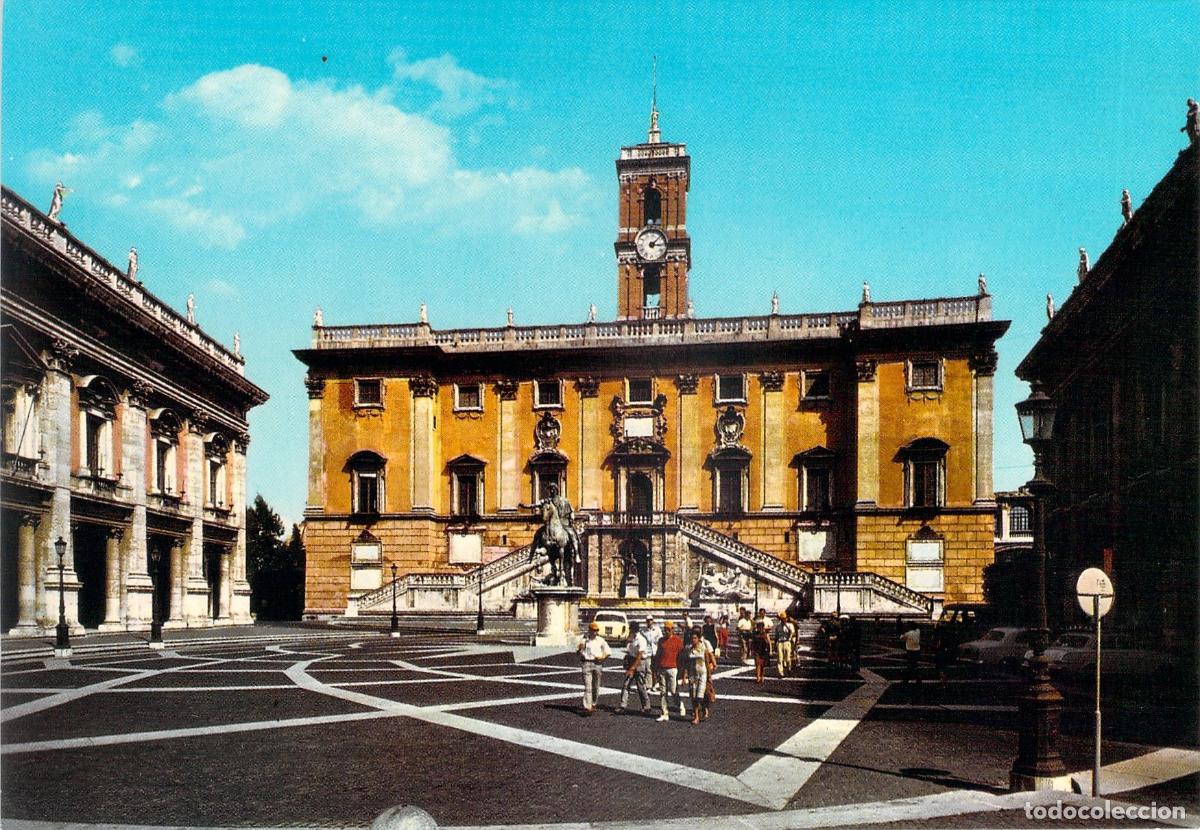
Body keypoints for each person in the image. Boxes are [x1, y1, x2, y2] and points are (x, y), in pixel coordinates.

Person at [680, 628, 716, 725]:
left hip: (702, 674)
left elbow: (707, 664)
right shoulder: (689, 649)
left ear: (699, 638)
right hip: (692, 675)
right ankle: (696, 716)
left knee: (700, 695)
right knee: (693, 696)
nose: (693, 640)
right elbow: (686, 664)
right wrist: (684, 676)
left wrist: (709, 676)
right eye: (692, 638)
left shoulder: (704, 649)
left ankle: (704, 707)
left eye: (695, 638)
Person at [616, 622, 651, 715]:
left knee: (640, 686)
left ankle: (646, 706)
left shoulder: (641, 639)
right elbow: (629, 650)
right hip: (632, 660)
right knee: (626, 684)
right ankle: (623, 706)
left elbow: (640, 656)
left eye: (631, 629)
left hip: (640, 662)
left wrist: (632, 668)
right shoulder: (632, 638)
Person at [654, 620, 685, 721]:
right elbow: (658, 655)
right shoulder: (661, 640)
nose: (666, 631)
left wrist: (682, 670)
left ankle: (680, 704)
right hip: (662, 668)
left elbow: (682, 655)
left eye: (668, 629)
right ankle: (664, 713)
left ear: (672, 630)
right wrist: (655, 668)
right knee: (663, 692)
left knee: (673, 690)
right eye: (665, 629)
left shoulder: (677, 640)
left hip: (672, 668)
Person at [577, 621, 611, 714]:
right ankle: (588, 707)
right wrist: (580, 649)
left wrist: (602, 658)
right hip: (586, 663)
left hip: (597, 664)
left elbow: (608, 652)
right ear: (589, 630)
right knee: (588, 687)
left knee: (596, 685)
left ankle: (594, 703)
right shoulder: (583, 639)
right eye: (593, 630)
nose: (595, 632)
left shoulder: (600, 640)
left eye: (596, 630)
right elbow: (578, 651)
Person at [642, 615, 663, 691]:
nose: (649, 622)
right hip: (648, 651)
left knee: (656, 669)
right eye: (648, 620)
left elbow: (660, 640)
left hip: (656, 651)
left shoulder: (657, 630)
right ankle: (649, 685)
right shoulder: (643, 631)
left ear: (653, 621)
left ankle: (657, 684)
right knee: (648, 669)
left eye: (651, 620)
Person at [773, 612, 795, 677]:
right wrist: (775, 645)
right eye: (782, 619)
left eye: (784, 619)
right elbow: (776, 636)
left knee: (788, 658)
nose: (783, 620)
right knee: (780, 658)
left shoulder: (790, 625)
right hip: (780, 642)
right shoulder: (778, 626)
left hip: (787, 642)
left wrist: (786, 625)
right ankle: (781, 672)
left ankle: (789, 668)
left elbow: (792, 633)